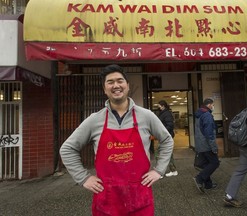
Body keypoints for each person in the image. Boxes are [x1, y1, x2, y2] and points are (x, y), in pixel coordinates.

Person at [60, 64, 174, 215]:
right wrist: (83, 178)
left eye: (120, 81)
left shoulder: (146, 116)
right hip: (107, 199)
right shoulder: (95, 120)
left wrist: (159, 170)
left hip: (139, 197)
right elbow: (67, 149)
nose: (116, 85)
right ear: (104, 88)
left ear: (127, 85)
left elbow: (167, 140)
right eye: (110, 82)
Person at [193, 98, 220, 192]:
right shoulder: (207, 115)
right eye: (212, 105)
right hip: (206, 144)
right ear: (209, 105)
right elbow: (209, 133)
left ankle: (208, 184)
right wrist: (214, 147)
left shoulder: (199, 114)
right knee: (215, 162)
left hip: (200, 143)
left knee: (205, 164)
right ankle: (199, 178)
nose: (213, 107)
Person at [158, 100, 178, 177]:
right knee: (167, 154)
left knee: (159, 154)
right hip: (164, 136)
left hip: (166, 137)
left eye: (159, 105)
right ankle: (173, 170)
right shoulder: (164, 113)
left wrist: (162, 132)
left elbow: (170, 125)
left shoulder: (166, 114)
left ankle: (161, 172)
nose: (158, 107)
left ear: (163, 106)